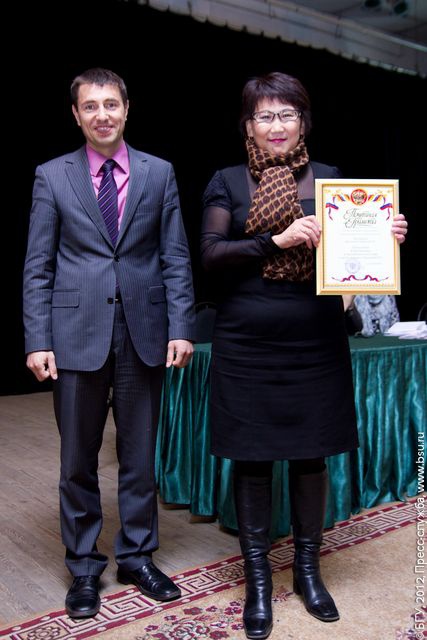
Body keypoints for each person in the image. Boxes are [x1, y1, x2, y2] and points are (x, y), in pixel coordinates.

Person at [201, 72, 407, 639]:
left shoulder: (333, 180)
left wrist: (384, 235)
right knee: (252, 459)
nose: (276, 126)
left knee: (311, 456)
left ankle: (309, 573)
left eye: (286, 114)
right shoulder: (227, 181)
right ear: (248, 125)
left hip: (316, 340)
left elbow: (354, 256)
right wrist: (277, 239)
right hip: (247, 341)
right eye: (264, 115)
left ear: (303, 121)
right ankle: (258, 581)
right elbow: (212, 255)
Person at [23, 68, 195, 619]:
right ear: (76, 114)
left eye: (111, 104)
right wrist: (37, 338)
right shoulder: (52, 176)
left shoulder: (159, 172)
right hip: (75, 335)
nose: (103, 115)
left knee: (139, 457)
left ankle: (138, 557)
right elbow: (38, 265)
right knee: (77, 459)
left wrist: (181, 326)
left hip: (145, 331)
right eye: (91, 106)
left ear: (126, 108)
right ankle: (83, 567)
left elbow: (174, 256)